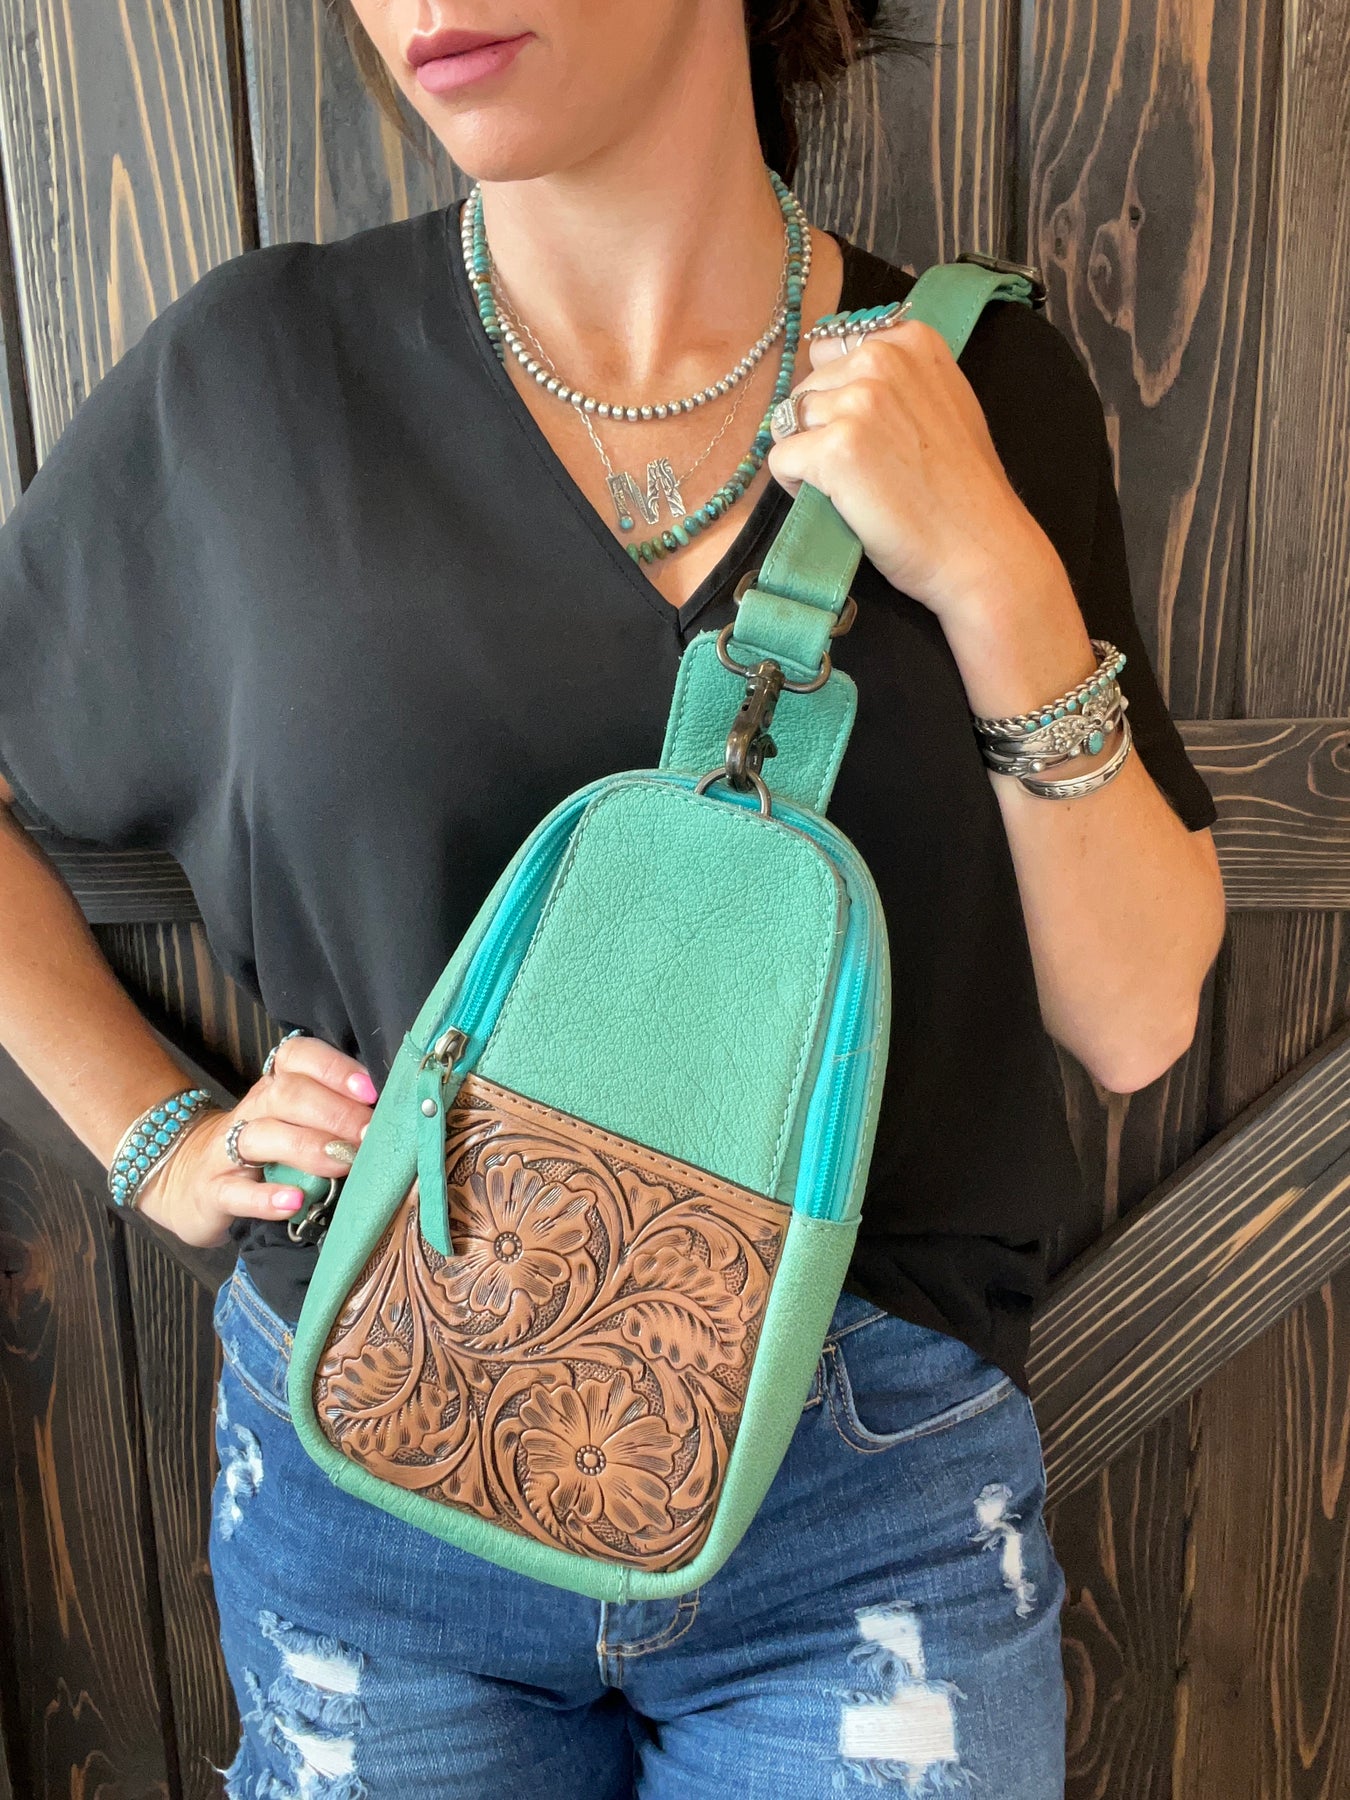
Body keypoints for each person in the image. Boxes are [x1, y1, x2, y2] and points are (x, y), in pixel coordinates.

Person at [0, 1, 1226, 1794]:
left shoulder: (976, 380)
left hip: (861, 1518)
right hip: (378, 1471)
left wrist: (989, 570)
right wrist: (153, 1136)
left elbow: (1133, 1018)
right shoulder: (255, 380)